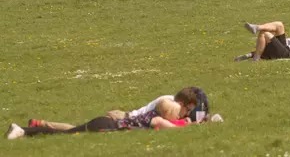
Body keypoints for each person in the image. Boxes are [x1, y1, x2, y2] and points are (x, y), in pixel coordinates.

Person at [25, 87, 214, 132]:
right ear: (181, 103)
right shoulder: (168, 104)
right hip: (123, 118)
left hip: (125, 118)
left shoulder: (170, 101)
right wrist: (192, 124)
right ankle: (40, 126)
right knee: (76, 130)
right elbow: (170, 124)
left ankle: (39, 124)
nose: (187, 112)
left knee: (77, 130)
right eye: (188, 108)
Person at [6, 98, 190, 139]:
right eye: (176, 114)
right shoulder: (157, 119)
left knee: (69, 132)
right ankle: (23, 131)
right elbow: (171, 128)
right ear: (167, 114)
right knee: (66, 134)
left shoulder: (152, 115)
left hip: (105, 122)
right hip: (106, 125)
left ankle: (26, 130)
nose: (178, 116)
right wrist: (188, 125)